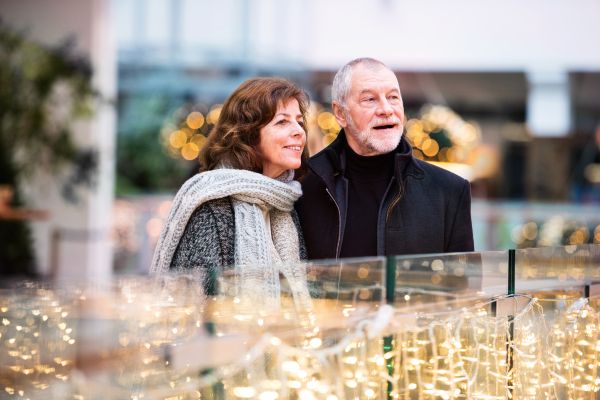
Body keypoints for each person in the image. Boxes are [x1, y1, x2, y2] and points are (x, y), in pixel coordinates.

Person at [150, 77, 313, 313]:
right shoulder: (211, 207)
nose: (299, 131)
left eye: (299, 122)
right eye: (282, 122)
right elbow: (196, 311)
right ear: (248, 134)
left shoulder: (285, 202)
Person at [295, 58, 474, 259]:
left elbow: (464, 285)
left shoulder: (450, 191)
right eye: (370, 99)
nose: (386, 109)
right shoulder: (301, 185)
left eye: (393, 97)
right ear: (340, 113)